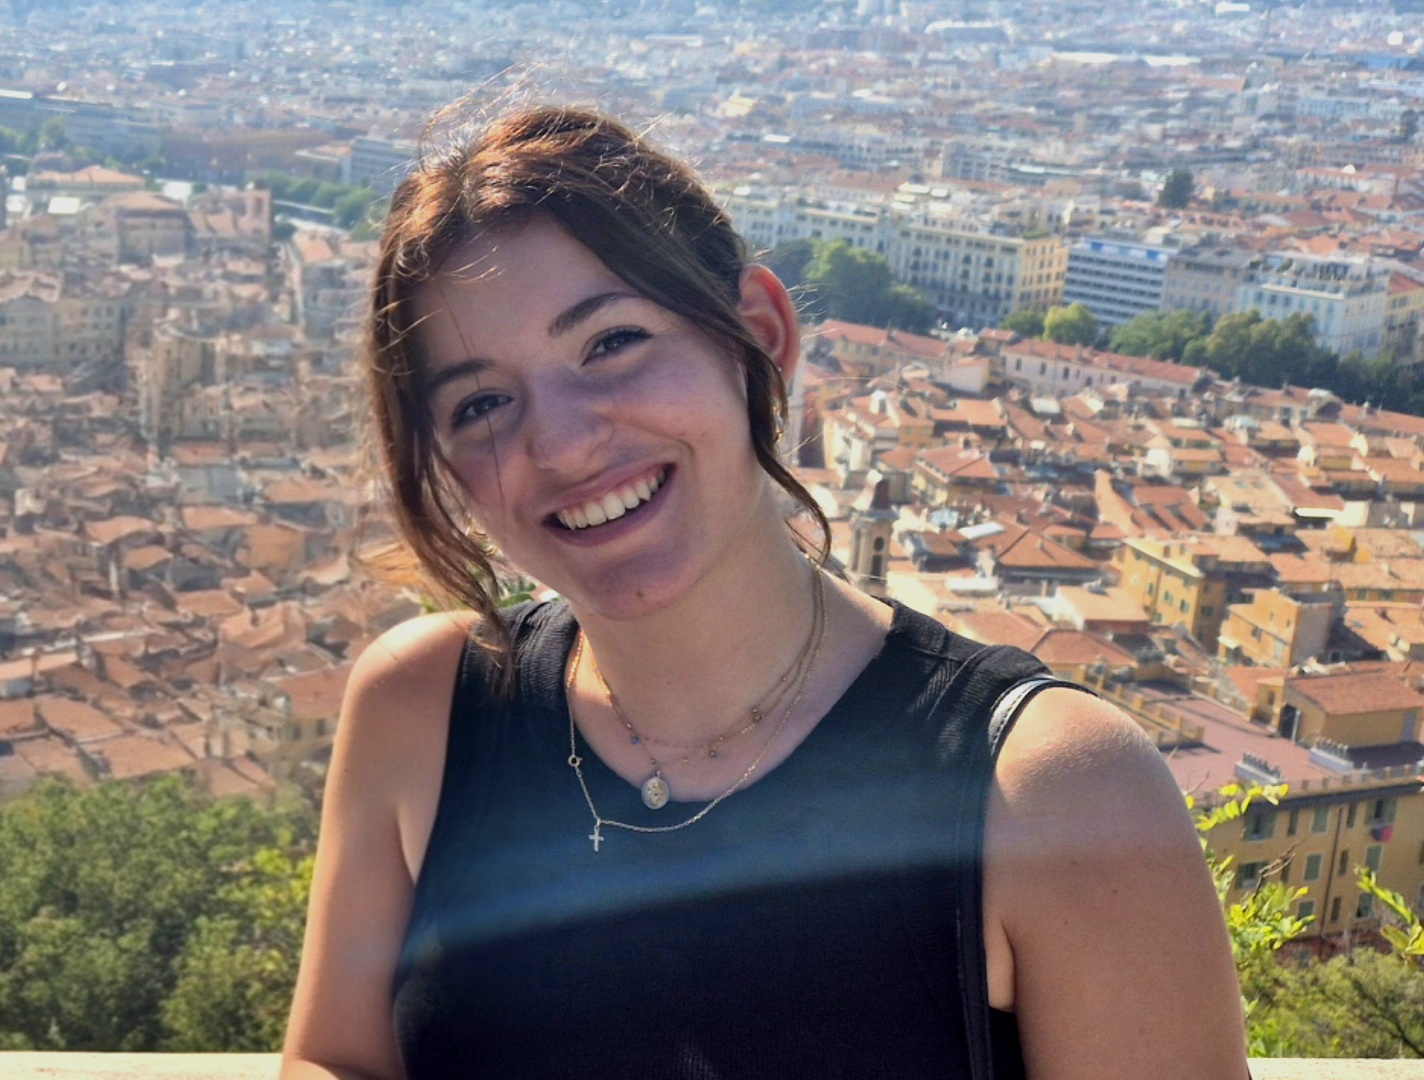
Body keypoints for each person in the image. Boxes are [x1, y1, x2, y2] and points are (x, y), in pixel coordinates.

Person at [280, 105, 1250, 1080]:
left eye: (611, 342)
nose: (562, 444)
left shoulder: (1062, 796)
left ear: (758, 336)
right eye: (482, 403)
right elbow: (334, 1059)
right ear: (443, 463)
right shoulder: (423, 708)